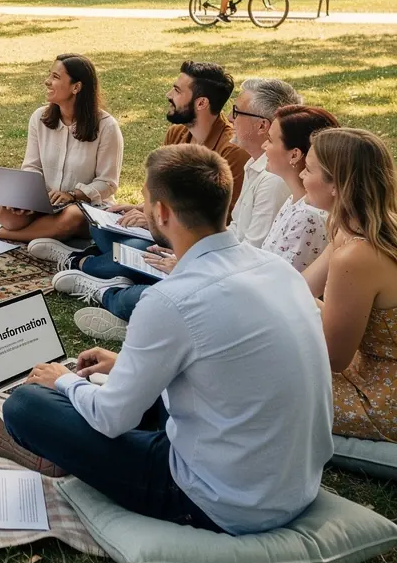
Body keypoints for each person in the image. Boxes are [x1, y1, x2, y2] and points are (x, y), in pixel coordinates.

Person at [0, 144, 333, 535]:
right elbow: (226, 367)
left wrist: (62, 379)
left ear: (160, 212)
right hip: (296, 484)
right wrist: (124, 367)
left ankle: (57, 451)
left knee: (27, 405)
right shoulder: (278, 270)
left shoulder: (171, 298)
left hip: (218, 500)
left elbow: (111, 418)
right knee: (110, 390)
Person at [52, 75, 297, 339]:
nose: (230, 116)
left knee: (133, 281)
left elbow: (247, 256)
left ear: (262, 126)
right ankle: (113, 275)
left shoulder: (269, 179)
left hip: (222, 280)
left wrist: (187, 262)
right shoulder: (255, 164)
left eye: (237, 111)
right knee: (111, 234)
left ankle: (104, 289)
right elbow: (232, 232)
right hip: (209, 258)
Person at [29, 60, 248, 280]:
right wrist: (141, 208)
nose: (168, 94)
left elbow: (221, 220)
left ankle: (81, 261)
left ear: (200, 103)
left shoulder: (232, 153)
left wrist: (155, 220)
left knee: (134, 251)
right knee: (100, 226)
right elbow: (155, 190)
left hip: (188, 240)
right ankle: (112, 259)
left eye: (177, 90)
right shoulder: (176, 134)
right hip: (160, 226)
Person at [0, 54, 123, 243]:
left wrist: (72, 195)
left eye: (55, 77)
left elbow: (108, 183)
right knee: (6, 213)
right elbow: (32, 166)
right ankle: (45, 229)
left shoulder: (107, 127)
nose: (47, 82)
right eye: (49, 75)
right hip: (47, 203)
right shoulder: (40, 118)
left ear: (76, 87)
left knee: (71, 216)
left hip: (86, 205)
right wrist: (28, 197)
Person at [300, 128, 397, 442]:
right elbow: (300, 287)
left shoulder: (357, 255)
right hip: (363, 367)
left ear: (337, 186)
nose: (301, 173)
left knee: (255, 381)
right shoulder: (354, 227)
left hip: (381, 394)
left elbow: (332, 357)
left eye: (309, 168)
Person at [258, 104, 338, 271]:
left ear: (294, 154)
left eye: (271, 140)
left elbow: (285, 283)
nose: (264, 146)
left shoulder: (308, 216)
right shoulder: (295, 201)